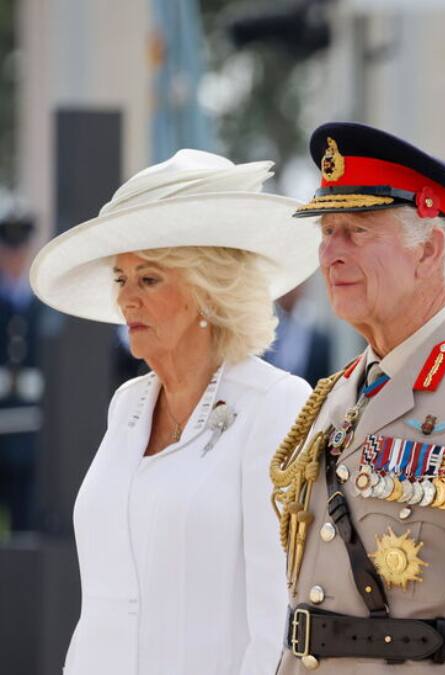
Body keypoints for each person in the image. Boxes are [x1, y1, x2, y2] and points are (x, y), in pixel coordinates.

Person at [29, 149, 319, 674]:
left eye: (148, 279)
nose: (126, 301)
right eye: (121, 279)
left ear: (208, 291)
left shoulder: (276, 404)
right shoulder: (128, 404)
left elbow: (278, 619)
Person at [273, 122, 445, 674]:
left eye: (357, 231)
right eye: (326, 232)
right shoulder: (339, 392)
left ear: (428, 250)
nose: (330, 254)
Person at [0, 191, 48, 534]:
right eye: (8, 245)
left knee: (25, 524)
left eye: (20, 246)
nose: (15, 254)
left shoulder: (41, 303)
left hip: (31, 429)